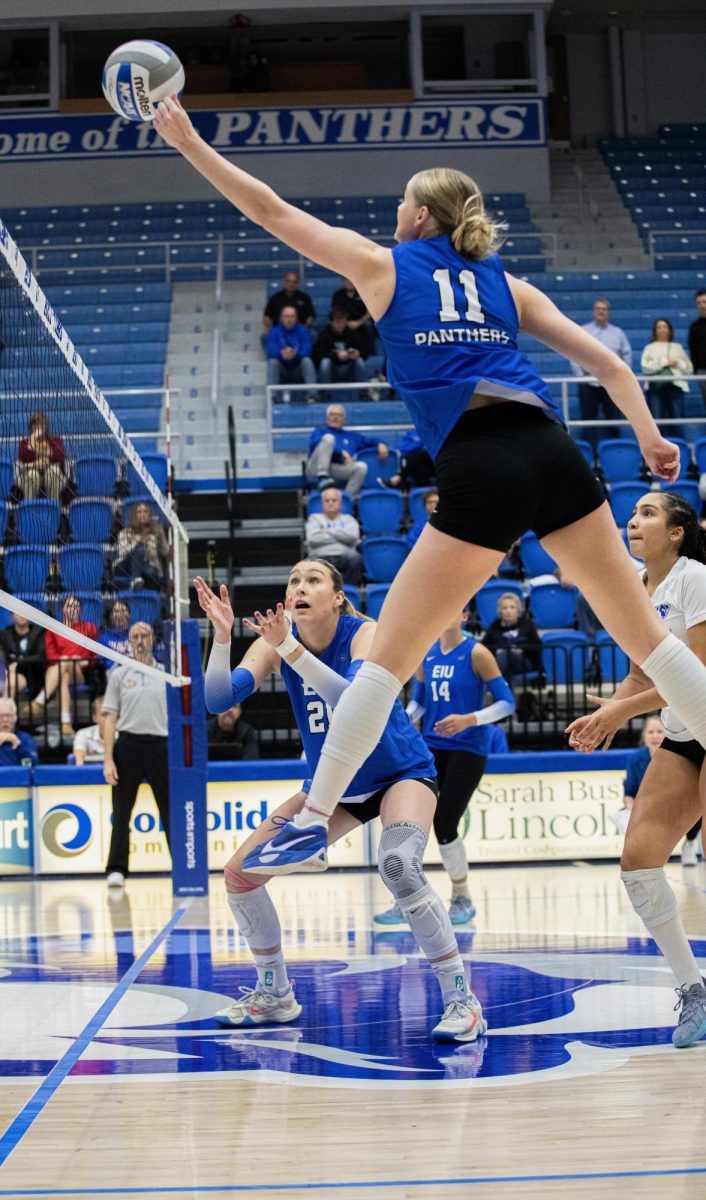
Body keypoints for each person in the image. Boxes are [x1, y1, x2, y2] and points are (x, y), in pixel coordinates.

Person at [154, 99, 706, 880]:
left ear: (418, 215)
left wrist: (188, 143)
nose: (395, 213)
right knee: (648, 641)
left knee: (385, 667)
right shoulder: (507, 285)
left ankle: (316, 815)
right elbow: (610, 368)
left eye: (401, 204)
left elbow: (269, 209)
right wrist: (650, 437)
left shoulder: (385, 265)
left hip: (480, 463)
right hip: (554, 452)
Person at [195, 562, 487, 1043]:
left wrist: (287, 647)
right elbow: (218, 697)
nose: (299, 587)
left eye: (312, 580)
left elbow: (353, 701)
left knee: (398, 865)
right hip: (334, 787)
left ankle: (462, 1000)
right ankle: (276, 994)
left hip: (399, 773)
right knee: (240, 875)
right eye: (292, 580)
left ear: (336, 597)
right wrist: (223, 637)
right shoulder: (273, 641)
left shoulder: (364, 633)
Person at [565, 491, 706, 1047]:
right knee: (638, 863)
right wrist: (606, 713)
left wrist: (624, 709)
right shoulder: (635, 591)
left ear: (677, 532)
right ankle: (693, 988)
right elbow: (643, 678)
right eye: (632, 514)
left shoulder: (695, 578)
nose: (634, 521)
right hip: (681, 733)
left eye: (648, 514)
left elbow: (694, 670)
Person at [375, 609, 514, 926]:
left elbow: (508, 702)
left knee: (446, 820)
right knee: (410, 820)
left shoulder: (477, 653)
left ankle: (462, 896)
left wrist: (470, 719)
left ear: (464, 616)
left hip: (468, 748)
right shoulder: (427, 652)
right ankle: (404, 898)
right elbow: (420, 702)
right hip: (430, 746)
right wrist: (399, 721)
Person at [102, 622, 170, 888]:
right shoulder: (119, 674)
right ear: (129, 642)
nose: (140, 640)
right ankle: (116, 869)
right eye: (135, 636)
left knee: (170, 810)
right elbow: (109, 718)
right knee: (121, 812)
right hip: (127, 746)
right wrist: (108, 758)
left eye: (145, 635)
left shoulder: (166, 673)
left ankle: (182, 865)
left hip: (160, 747)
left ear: (153, 639)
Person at [31, 595, 98, 738]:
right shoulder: (54, 628)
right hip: (58, 671)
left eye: (75, 607)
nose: (72, 610)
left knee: (67, 663)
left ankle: (41, 699)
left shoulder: (90, 628)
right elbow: (50, 656)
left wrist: (85, 661)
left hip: (79, 673)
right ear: (62, 609)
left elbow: (94, 657)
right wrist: (66, 659)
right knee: (64, 676)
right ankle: (66, 722)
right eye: (68, 606)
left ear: (79, 609)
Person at [570, 300, 633, 448]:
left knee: (614, 419)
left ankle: (615, 453)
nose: (601, 311)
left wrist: (621, 378)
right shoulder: (583, 331)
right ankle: (590, 457)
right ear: (593, 311)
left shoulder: (618, 333)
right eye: (598, 308)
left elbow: (627, 355)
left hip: (612, 384)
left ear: (608, 312)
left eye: (604, 309)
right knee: (588, 420)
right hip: (588, 383)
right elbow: (572, 352)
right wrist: (581, 378)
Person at [305, 403, 388, 497]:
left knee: (361, 467)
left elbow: (370, 441)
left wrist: (381, 444)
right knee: (328, 438)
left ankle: (346, 499)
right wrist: (340, 454)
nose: (335, 417)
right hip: (316, 468)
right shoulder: (320, 431)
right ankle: (322, 477)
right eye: (332, 415)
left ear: (344, 419)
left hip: (336, 469)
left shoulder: (352, 436)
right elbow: (315, 444)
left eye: (339, 415)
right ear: (327, 418)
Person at [609, 714, 664, 834]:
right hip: (644, 811)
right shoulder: (635, 759)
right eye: (650, 732)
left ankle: (690, 841)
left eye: (660, 731)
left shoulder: (675, 758)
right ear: (644, 735)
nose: (655, 736)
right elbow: (629, 794)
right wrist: (632, 810)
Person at [641, 318, 692, 439]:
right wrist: (665, 362)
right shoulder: (649, 348)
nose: (662, 329)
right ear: (654, 331)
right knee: (656, 422)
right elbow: (646, 368)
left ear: (670, 330)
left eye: (665, 327)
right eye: (659, 327)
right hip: (655, 388)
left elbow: (689, 368)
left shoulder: (677, 347)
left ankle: (680, 451)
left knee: (677, 420)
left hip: (675, 387)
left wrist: (678, 363)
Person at [305, 486, 362, 584]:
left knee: (356, 559)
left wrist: (326, 531)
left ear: (340, 503)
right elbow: (313, 539)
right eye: (327, 501)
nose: (330, 503)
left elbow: (352, 537)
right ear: (322, 503)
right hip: (321, 556)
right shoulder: (314, 519)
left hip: (346, 557)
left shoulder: (348, 519)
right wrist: (341, 534)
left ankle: (349, 592)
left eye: (334, 500)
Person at [481, 593, 542, 682]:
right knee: (504, 658)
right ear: (499, 611)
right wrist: (497, 651)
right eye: (504, 608)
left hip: (523, 662)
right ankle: (506, 694)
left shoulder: (527, 625)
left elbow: (537, 645)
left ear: (518, 610)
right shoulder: (495, 626)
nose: (508, 611)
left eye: (512, 607)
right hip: (501, 661)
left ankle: (499, 691)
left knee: (505, 655)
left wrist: (522, 650)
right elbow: (484, 646)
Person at [312, 308, 370, 394]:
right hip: (333, 370)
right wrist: (336, 356)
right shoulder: (324, 335)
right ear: (331, 322)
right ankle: (326, 394)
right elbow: (317, 355)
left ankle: (364, 394)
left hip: (349, 369)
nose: (341, 325)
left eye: (343, 322)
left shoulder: (352, 333)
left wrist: (357, 353)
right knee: (325, 362)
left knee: (360, 361)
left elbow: (365, 351)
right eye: (338, 322)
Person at [266, 304, 317, 400]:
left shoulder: (303, 331)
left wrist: (296, 354)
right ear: (281, 318)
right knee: (273, 362)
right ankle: (272, 396)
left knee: (307, 361)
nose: (289, 319)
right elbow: (270, 350)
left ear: (296, 318)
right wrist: (281, 353)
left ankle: (312, 395)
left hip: (298, 369)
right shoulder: (274, 332)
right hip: (282, 370)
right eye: (287, 316)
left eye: (292, 316)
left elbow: (307, 349)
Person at [115, 501, 168, 591]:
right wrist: (139, 541)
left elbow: (165, 552)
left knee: (151, 573)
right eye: (139, 512)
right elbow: (122, 553)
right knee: (140, 549)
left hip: (148, 566)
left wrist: (161, 535)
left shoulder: (154, 533)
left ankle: (149, 600)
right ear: (134, 515)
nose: (142, 514)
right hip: (126, 565)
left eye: (145, 511)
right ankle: (136, 579)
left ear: (149, 515)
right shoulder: (125, 533)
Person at [16, 411, 66, 500]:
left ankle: (53, 507)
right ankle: (29, 509)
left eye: (41, 424)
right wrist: (32, 439)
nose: (38, 427)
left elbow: (58, 456)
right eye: (35, 424)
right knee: (32, 474)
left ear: (46, 427)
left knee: (53, 470)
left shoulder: (55, 441)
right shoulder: (25, 443)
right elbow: (24, 458)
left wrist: (29, 465)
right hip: (30, 476)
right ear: (31, 427)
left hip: (52, 476)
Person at [0, 612, 45, 703]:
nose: (22, 615)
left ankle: (6, 712)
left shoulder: (38, 633)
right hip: (11, 673)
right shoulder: (5, 634)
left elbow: (40, 657)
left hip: (33, 675)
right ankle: (7, 711)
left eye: (23, 612)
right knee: (10, 680)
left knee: (11, 681)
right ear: (12, 616)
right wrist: (6, 668)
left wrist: (18, 663)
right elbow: (2, 656)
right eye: (18, 613)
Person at [262, 270, 315, 335]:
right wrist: (269, 327)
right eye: (289, 281)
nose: (291, 284)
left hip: (299, 331)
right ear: (284, 282)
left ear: (297, 283)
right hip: (279, 331)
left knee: (313, 334)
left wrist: (305, 328)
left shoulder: (305, 298)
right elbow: (267, 316)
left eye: (294, 282)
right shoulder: (275, 298)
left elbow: (311, 316)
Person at [0, 698, 38, 767]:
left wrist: (17, 742)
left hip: (18, 776)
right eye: (1, 716)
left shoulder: (25, 739)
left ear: (15, 718)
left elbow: (30, 764)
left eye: (8, 716)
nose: (5, 720)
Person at [73, 696, 107, 765]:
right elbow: (79, 762)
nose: (108, 719)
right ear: (95, 718)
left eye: (111, 715)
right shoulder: (83, 734)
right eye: (104, 715)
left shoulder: (123, 736)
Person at [687, 289, 706, 408]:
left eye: (704, 302)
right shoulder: (694, 327)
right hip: (703, 371)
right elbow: (692, 349)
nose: (702, 305)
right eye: (699, 303)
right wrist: (696, 370)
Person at [98, 601, 131, 668]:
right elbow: (102, 661)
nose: (120, 614)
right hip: (114, 671)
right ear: (111, 616)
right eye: (116, 611)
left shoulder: (136, 634)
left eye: (123, 610)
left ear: (129, 615)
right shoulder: (103, 638)